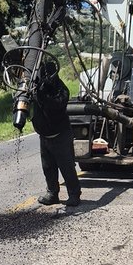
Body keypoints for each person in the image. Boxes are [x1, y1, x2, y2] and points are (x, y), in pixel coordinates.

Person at [30, 61, 82, 210]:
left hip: (61, 135)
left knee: (66, 166)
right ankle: (52, 193)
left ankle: (74, 194)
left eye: (48, 74)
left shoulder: (61, 90)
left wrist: (42, 94)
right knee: (48, 166)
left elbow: (56, 105)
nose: (45, 77)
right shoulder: (36, 88)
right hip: (44, 136)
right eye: (43, 74)